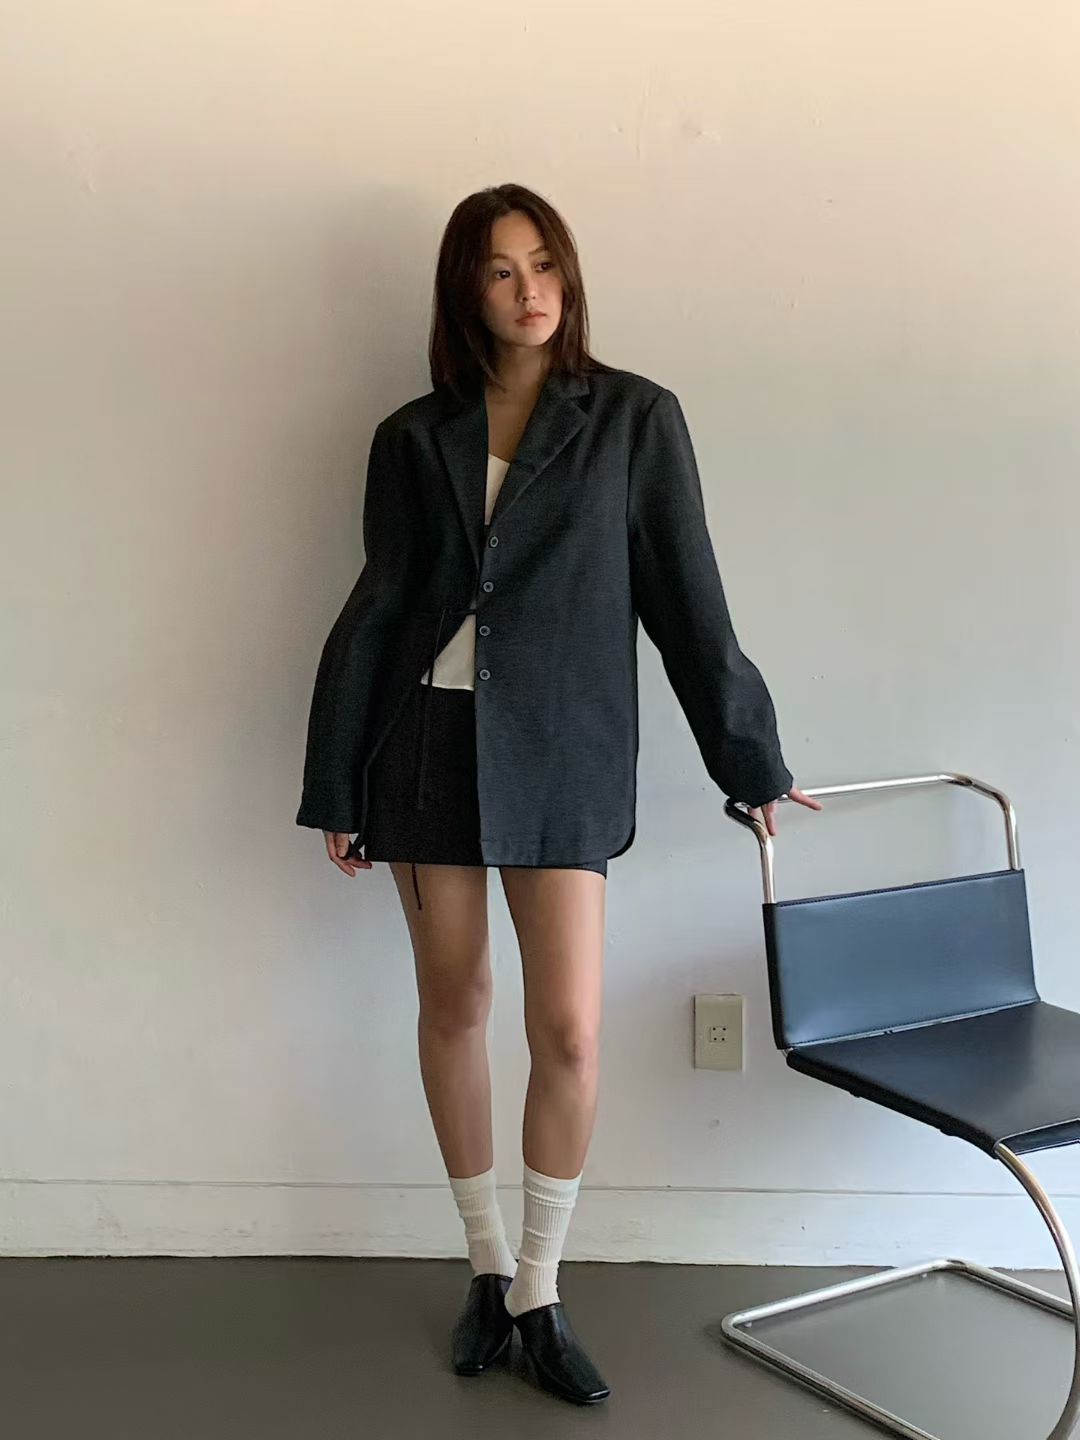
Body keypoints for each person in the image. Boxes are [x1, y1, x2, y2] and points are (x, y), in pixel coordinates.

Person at [296, 182, 822, 1406]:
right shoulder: (412, 435)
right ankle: (486, 1270)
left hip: (563, 752)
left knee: (571, 1030)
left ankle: (541, 1285)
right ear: (465, 290)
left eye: (544, 264)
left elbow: (687, 597)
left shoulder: (634, 418)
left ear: (569, 277)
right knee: (455, 1002)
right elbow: (381, 605)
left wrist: (748, 757)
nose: (529, 289)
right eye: (500, 269)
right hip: (423, 746)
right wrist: (336, 781)